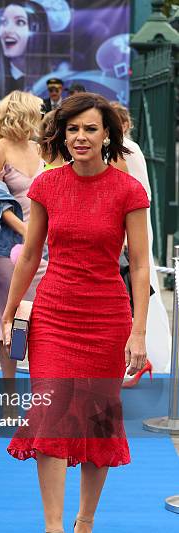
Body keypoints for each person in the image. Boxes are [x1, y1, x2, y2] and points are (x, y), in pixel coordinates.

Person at [3, 93, 150, 533]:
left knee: (95, 424)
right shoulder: (47, 184)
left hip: (107, 317)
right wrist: (8, 314)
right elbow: (28, 255)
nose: (81, 138)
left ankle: (84, 525)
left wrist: (138, 332)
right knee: (49, 422)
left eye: (90, 129)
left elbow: (142, 265)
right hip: (54, 316)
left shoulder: (127, 190)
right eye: (72, 130)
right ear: (62, 136)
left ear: (107, 135)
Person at [0, 90, 47, 379]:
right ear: (24, 114)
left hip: (46, 248)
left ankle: (39, 390)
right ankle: (9, 395)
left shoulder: (40, 148)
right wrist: (28, 233)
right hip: (9, 249)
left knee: (42, 319)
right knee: (12, 320)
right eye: (37, 113)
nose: (41, 118)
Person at [111, 101, 171, 376]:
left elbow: (135, 190)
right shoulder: (125, 147)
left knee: (136, 286)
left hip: (130, 225)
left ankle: (144, 352)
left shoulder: (127, 148)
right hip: (128, 223)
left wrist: (124, 233)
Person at [0, 1, 49, 101]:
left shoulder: (53, 80)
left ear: (37, 30)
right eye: (3, 22)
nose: (7, 30)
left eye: (20, 22)